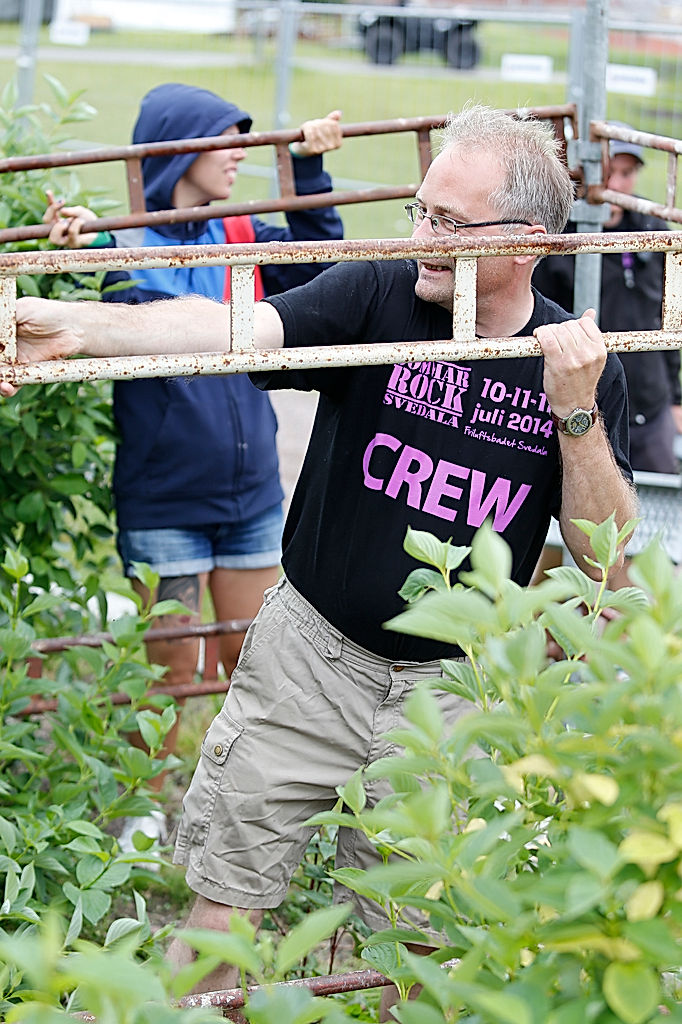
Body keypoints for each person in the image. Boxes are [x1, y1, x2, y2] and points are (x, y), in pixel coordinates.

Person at [7, 105, 637, 1018]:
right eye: (421, 210)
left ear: (531, 238)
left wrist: (574, 413)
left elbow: (606, 566)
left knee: (411, 942)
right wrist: (79, 329)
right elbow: (231, 329)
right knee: (218, 914)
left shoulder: (580, 366)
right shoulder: (378, 294)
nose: (421, 235)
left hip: (450, 694)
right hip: (311, 658)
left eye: (449, 224)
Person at [42, 83, 344, 850]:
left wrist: (305, 171)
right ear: (178, 149)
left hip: (247, 494)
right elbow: (69, 291)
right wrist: (73, 242)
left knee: (250, 653)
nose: (240, 150)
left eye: (247, 138)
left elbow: (324, 262)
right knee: (173, 673)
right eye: (224, 138)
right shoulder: (124, 246)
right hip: (164, 503)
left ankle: (247, 809)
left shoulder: (243, 235)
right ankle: (142, 812)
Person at [533, 124, 682, 474]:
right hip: (585, 403)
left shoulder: (652, 230)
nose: (616, 185)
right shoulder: (561, 238)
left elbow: (668, 315)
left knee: (664, 505)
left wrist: (675, 399)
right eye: (608, 172)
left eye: (627, 173)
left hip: (650, 402)